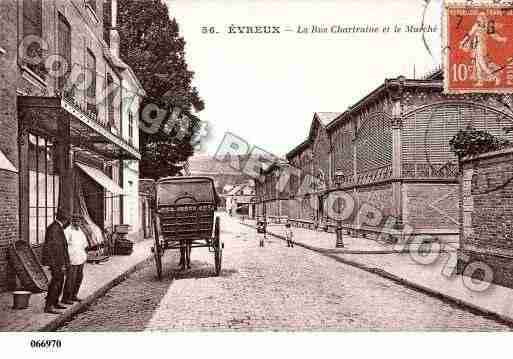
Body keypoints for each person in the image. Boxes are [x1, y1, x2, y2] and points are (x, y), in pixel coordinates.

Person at [41, 210, 70, 314]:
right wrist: (61, 264)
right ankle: (49, 306)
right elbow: (57, 249)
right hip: (56, 261)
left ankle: (55, 302)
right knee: (55, 282)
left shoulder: (56, 227)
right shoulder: (55, 228)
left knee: (60, 281)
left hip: (57, 261)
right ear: (65, 219)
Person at [62, 214, 88, 304]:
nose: (77, 223)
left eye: (78, 221)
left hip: (80, 257)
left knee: (79, 278)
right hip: (71, 258)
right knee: (70, 279)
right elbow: (64, 246)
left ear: (80, 222)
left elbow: (84, 244)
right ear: (71, 221)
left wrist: (84, 254)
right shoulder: (67, 231)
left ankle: (74, 295)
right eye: (75, 221)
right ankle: (66, 298)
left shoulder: (80, 231)